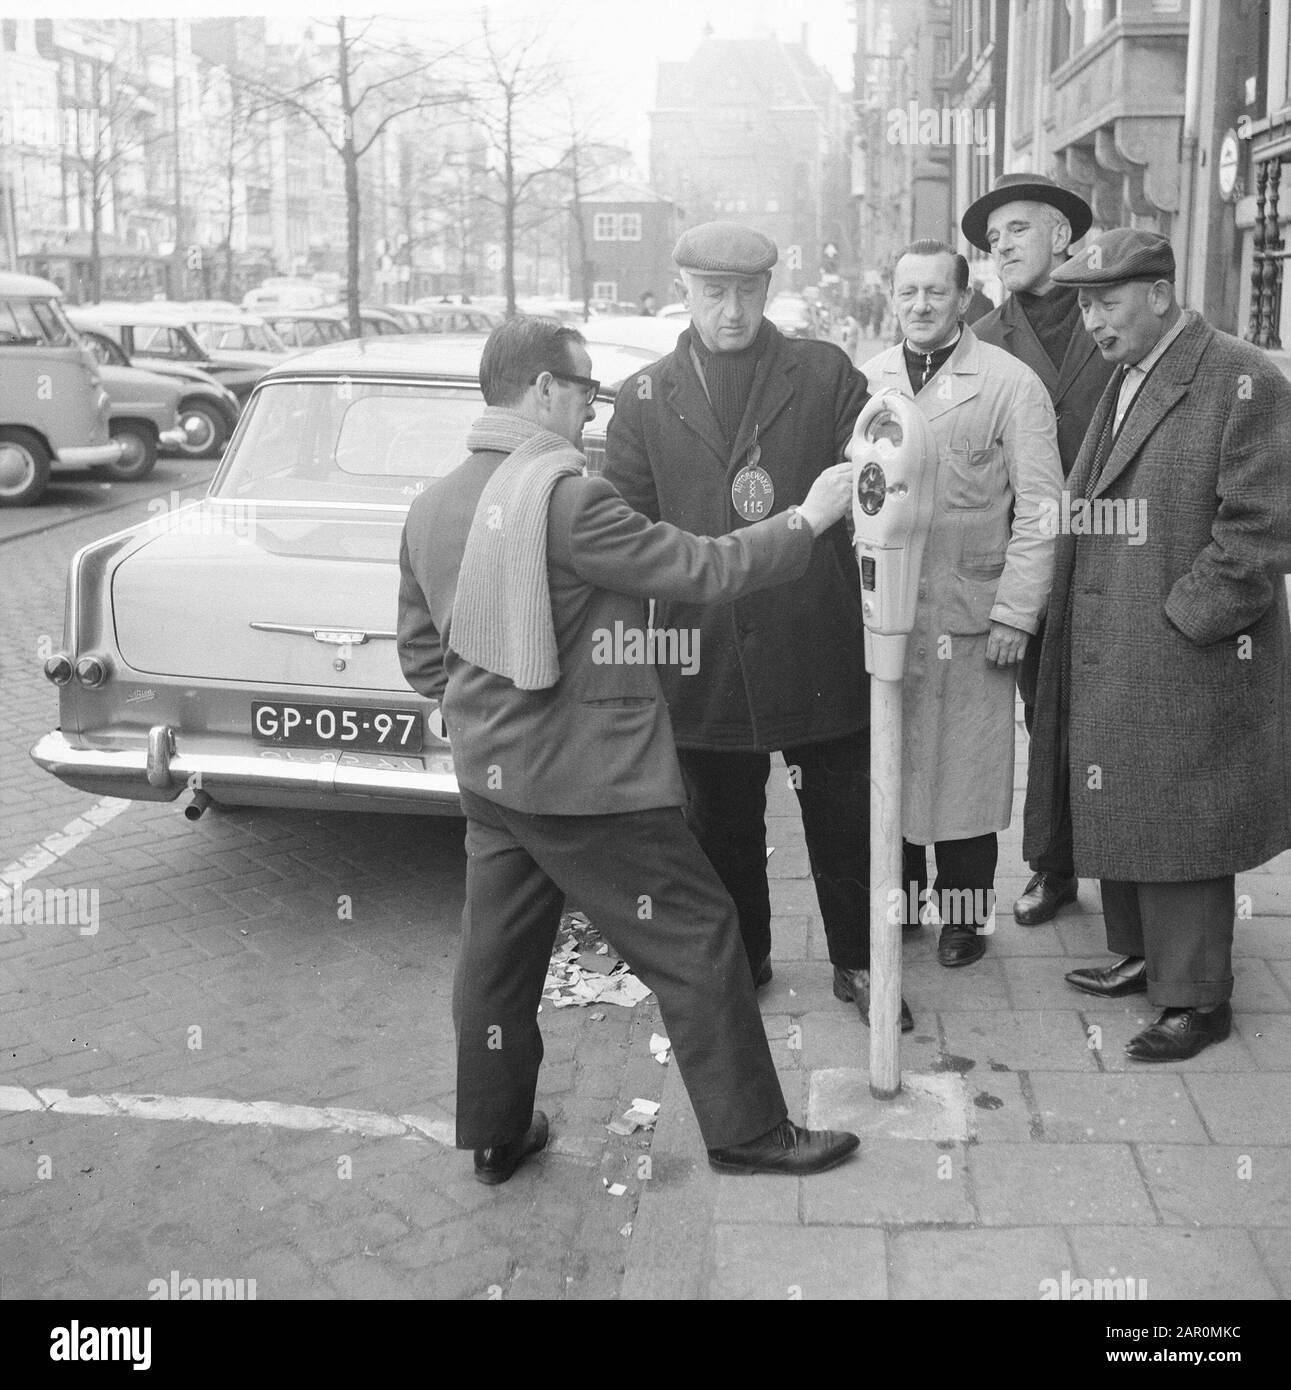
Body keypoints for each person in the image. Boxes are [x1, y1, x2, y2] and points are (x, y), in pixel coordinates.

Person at [397, 315, 861, 1182]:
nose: (593, 410)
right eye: (584, 391)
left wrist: (484, 708)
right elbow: (703, 569)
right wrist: (805, 520)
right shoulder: (567, 500)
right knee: (698, 935)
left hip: (492, 783)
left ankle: (495, 1136)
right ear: (542, 389)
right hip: (588, 785)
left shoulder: (433, 504)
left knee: (496, 959)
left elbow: (424, 657)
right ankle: (748, 1133)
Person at [604, 220, 915, 1033]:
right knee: (721, 826)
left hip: (816, 641)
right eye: (713, 294)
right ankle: (744, 960)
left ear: (769, 290)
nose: (731, 310)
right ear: (685, 292)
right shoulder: (641, 399)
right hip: (699, 652)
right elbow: (632, 538)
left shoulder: (821, 373)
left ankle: (858, 962)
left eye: (746, 292)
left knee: (843, 819)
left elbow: (877, 484)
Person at [1024, 228, 1291, 1061]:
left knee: (1184, 817)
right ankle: (1144, 959)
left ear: (1158, 294)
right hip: (1119, 632)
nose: (1092, 322)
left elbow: (1261, 529)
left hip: (1185, 647)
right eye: (1082, 305)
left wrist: (1183, 620)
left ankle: (1197, 1000)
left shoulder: (1241, 376)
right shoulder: (1130, 373)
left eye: (1105, 303)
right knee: (1129, 798)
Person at [860, 240, 1062, 967]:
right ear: (892, 296)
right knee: (896, 757)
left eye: (934, 293)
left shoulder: (1010, 383)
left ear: (962, 297)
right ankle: (905, 904)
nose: (919, 306)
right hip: (890, 612)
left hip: (972, 612)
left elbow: (1042, 508)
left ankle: (963, 919)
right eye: (907, 292)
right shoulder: (869, 380)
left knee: (968, 775)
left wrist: (1014, 611)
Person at [963, 172, 1117, 929]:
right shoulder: (984, 342)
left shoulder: (1112, 319)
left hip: (1117, 557)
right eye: (992, 243)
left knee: (1118, 718)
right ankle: (1051, 868)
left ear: (1060, 236)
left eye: (1014, 231)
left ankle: (1128, 876)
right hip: (1031, 564)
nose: (1000, 250)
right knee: (1042, 715)